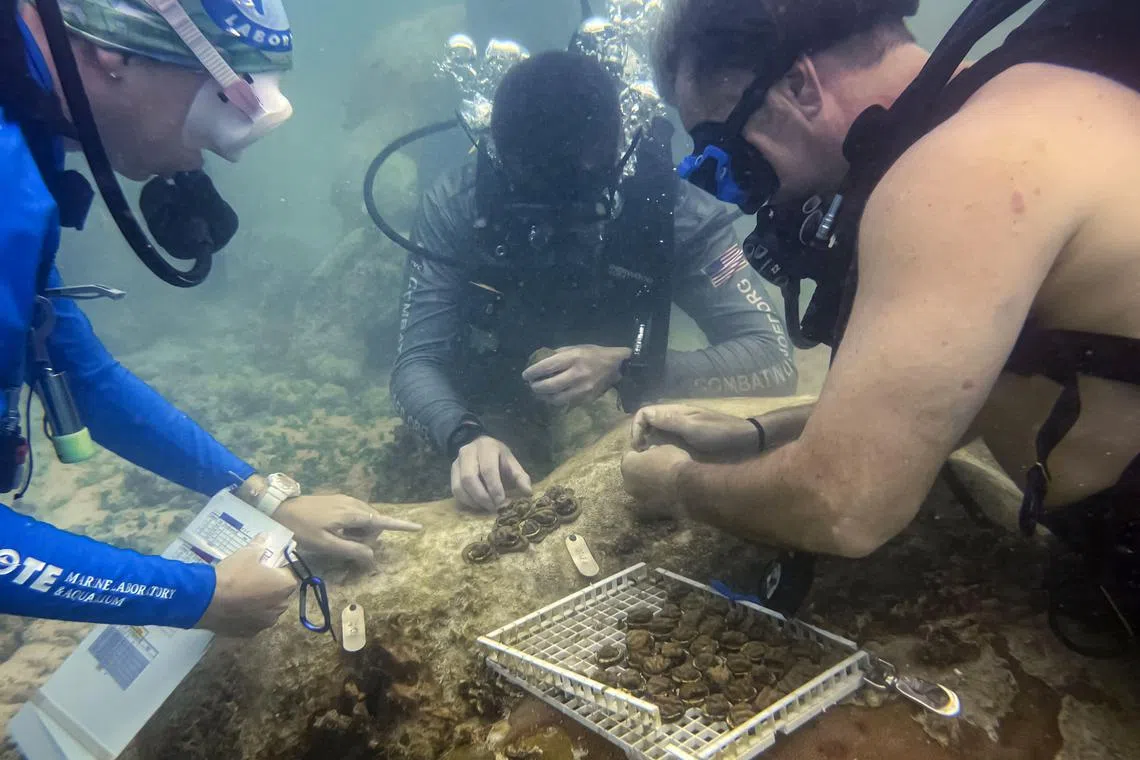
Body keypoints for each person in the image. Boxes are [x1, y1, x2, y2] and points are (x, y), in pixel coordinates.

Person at [621, 0, 1140, 653]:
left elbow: (844, 504)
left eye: (725, 157)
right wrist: (752, 434)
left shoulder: (957, 172)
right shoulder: (1020, 105)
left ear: (800, 86)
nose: (744, 197)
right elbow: (949, 399)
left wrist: (676, 485)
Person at [0, 0, 419, 637]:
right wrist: (193, 595)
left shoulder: (23, 162)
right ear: (113, 55)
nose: (218, 157)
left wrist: (268, 497)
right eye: (219, 109)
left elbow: (80, 372)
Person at [390, 50, 797, 513]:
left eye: (579, 199)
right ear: (499, 156)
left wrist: (632, 366)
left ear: (617, 153)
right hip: (493, 403)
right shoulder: (460, 207)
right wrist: (464, 435)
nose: (560, 223)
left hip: (631, 412)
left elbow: (772, 357)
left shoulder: (675, 213)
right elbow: (415, 362)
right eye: (537, 196)